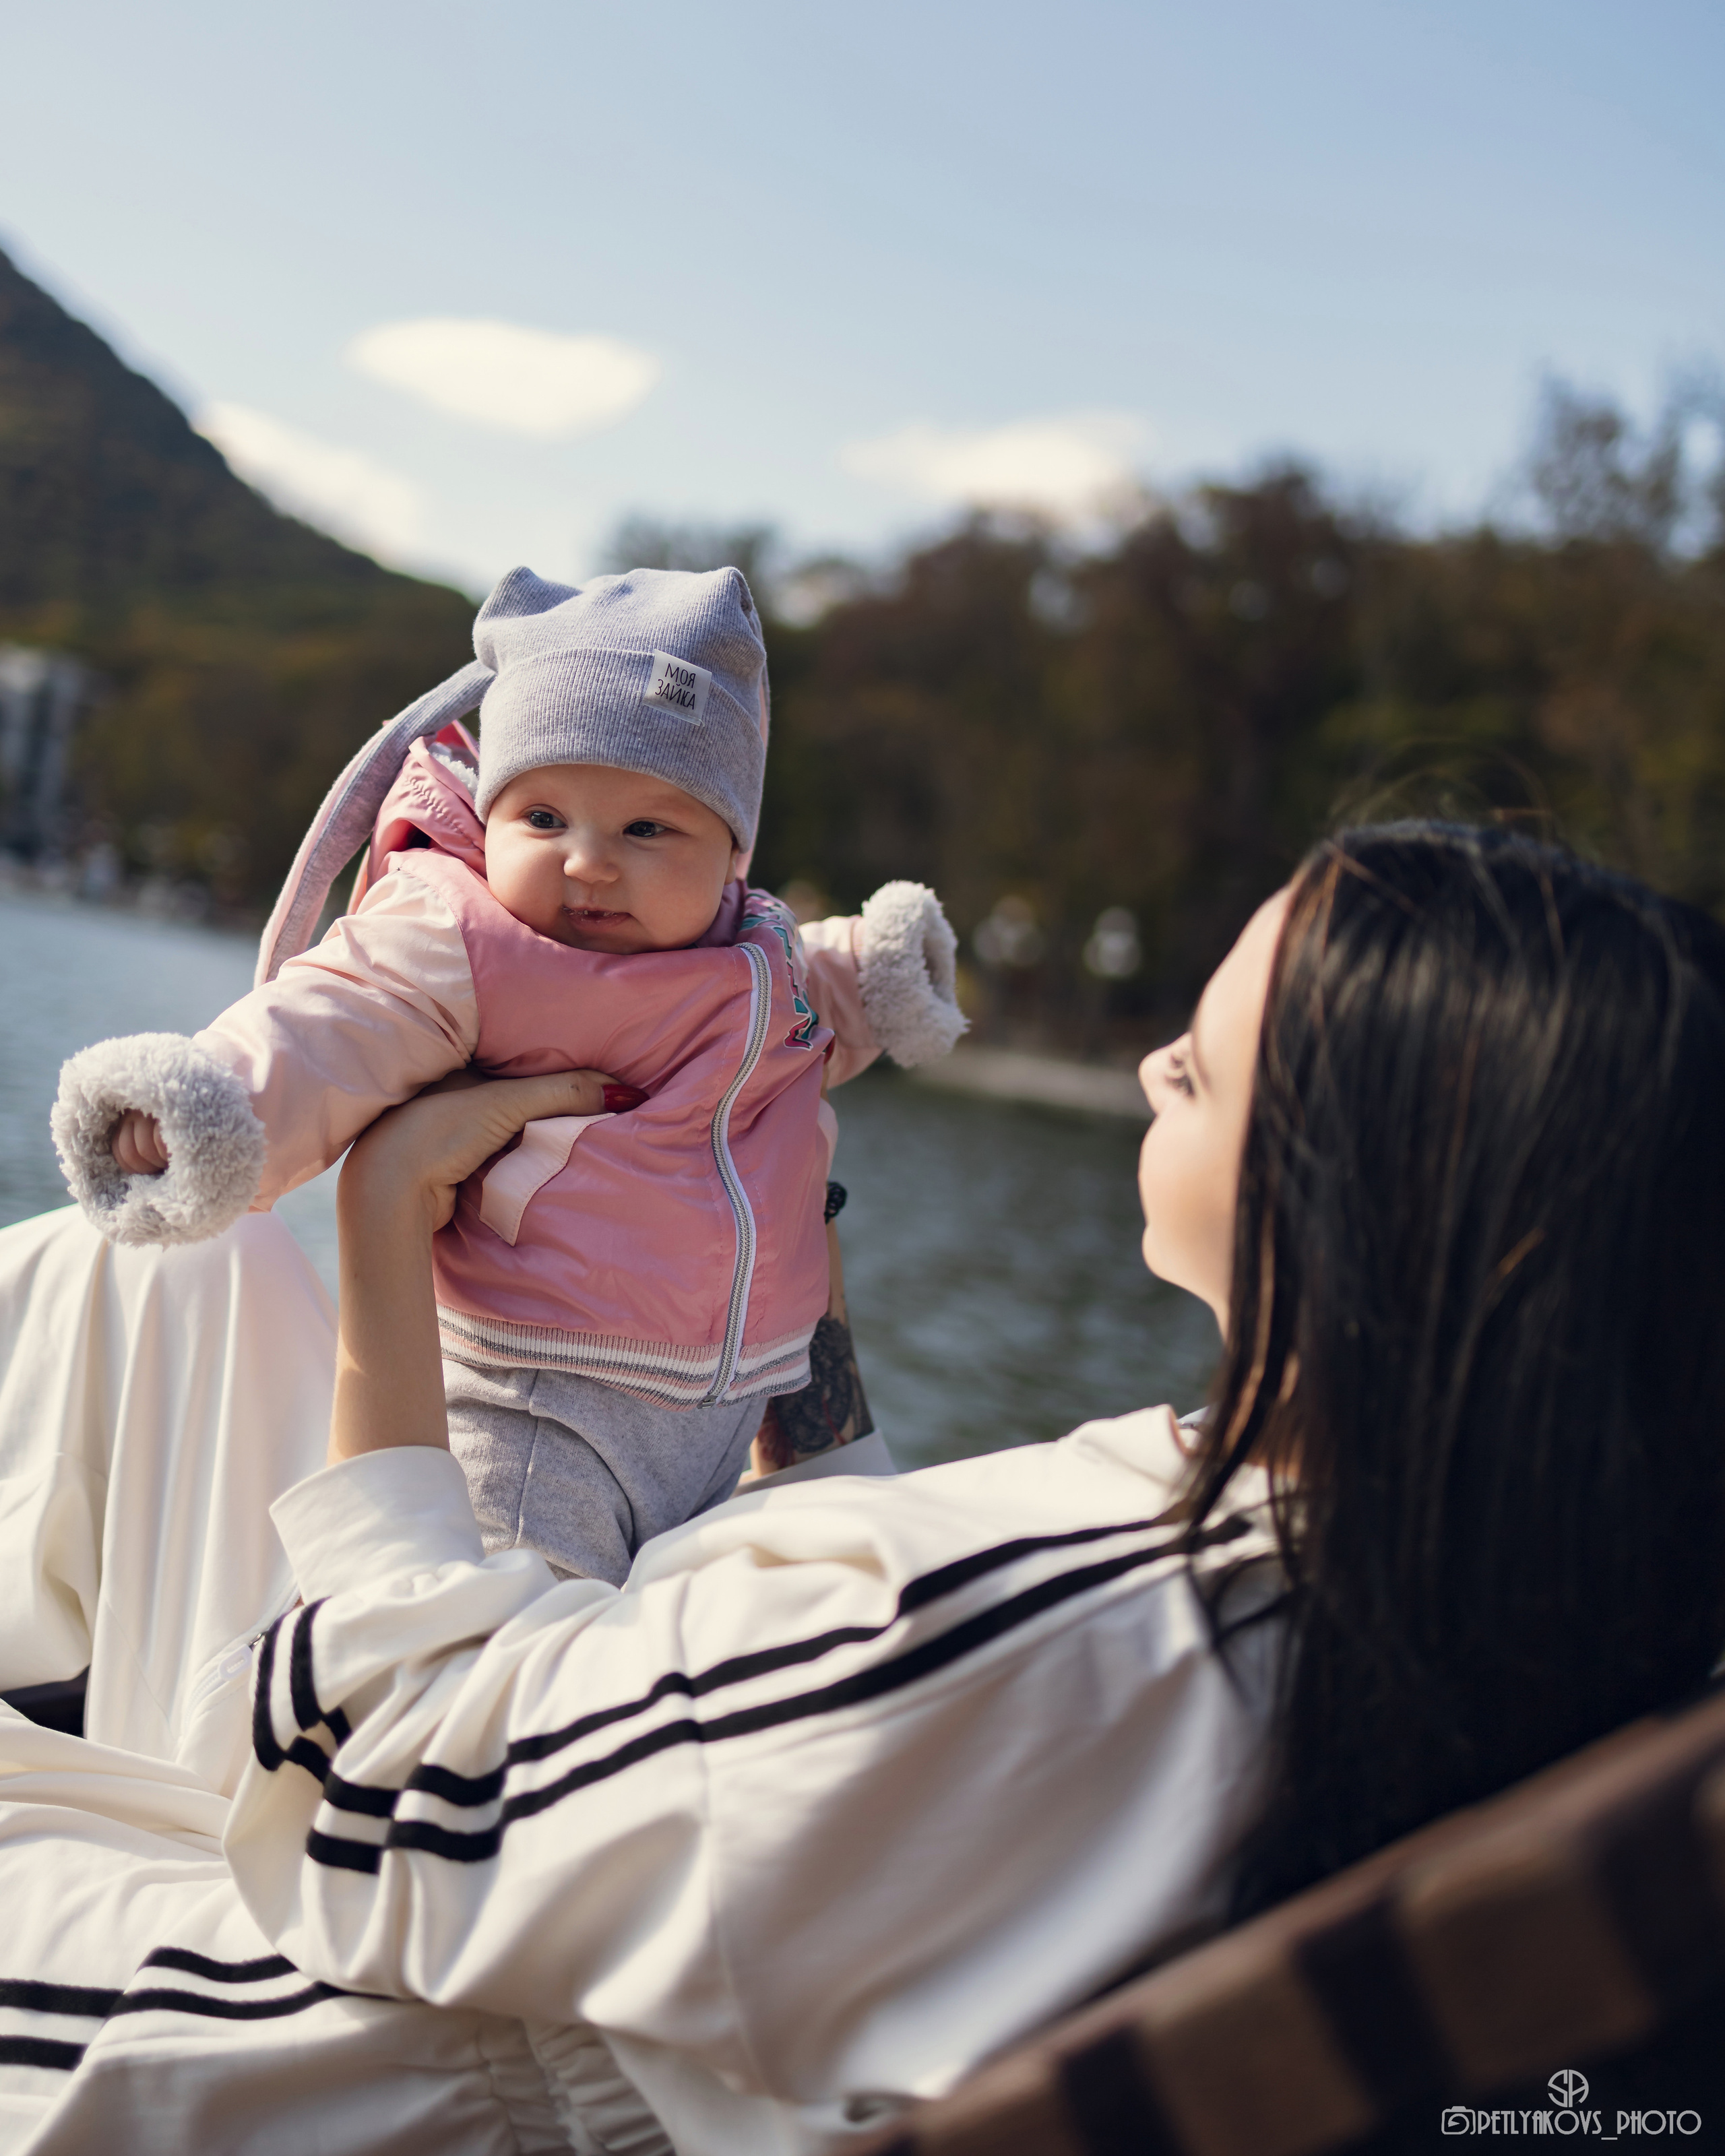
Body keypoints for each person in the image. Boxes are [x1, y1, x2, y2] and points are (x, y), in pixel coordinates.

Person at [2, 821, 1722, 2155]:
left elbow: (386, 1785)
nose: (1149, 1065)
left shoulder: (1118, 1633)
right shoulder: (1369, 1579)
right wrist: (779, 1313)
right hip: (522, 1918)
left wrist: (386, 1225)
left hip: (259, 2034)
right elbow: (880, 1678)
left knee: (148, 1283)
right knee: (172, 1276)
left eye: (1202, 1062)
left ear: (1449, 1213)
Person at [48, 566, 964, 1585]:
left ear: (731, 856)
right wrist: (202, 1105)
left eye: (646, 829)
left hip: (729, 1413)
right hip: (542, 1407)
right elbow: (330, 1024)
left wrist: (888, 970)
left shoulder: (759, 956)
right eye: (542, 818)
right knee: (515, 1659)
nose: (586, 863)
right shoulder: (470, 947)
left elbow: (818, 999)